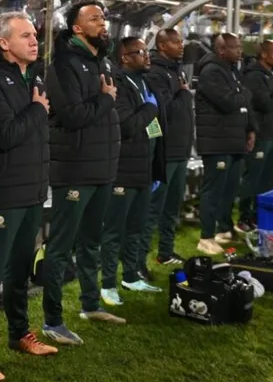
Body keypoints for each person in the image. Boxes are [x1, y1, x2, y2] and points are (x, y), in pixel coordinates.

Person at [0, 12, 56, 382]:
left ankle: (19, 334)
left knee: (19, 270)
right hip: (2, 192)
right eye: (25, 35)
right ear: (4, 42)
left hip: (31, 189)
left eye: (35, 34)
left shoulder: (32, 76)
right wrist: (37, 109)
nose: (35, 41)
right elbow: (5, 134)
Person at [42, 1, 123, 347]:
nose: (103, 23)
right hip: (74, 170)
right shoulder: (62, 64)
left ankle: (90, 305)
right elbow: (73, 115)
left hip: (102, 167)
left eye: (103, 17)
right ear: (76, 28)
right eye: (95, 18)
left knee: (92, 242)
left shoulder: (102, 61)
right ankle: (52, 321)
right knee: (61, 247)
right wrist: (106, 99)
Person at [99, 36, 164, 308]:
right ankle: (107, 285)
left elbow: (152, 128)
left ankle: (131, 276)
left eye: (147, 51)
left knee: (136, 228)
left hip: (144, 167)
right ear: (125, 57)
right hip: (123, 169)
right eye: (141, 52)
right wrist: (150, 108)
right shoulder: (118, 83)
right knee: (115, 231)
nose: (147, 56)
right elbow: (127, 126)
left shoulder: (143, 81)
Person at [194, 33, 253, 255]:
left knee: (229, 189)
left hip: (233, 139)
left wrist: (249, 129)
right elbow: (229, 102)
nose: (240, 51)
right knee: (213, 190)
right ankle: (206, 237)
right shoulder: (211, 71)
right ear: (221, 50)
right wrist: (244, 93)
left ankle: (224, 229)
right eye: (235, 47)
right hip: (217, 141)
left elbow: (239, 102)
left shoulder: (231, 70)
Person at [144, 28, 193, 269]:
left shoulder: (176, 70)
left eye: (181, 41)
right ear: (162, 46)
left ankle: (165, 252)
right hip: (165, 151)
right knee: (153, 209)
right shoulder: (154, 72)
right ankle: (138, 262)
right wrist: (183, 94)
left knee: (172, 207)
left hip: (180, 150)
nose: (181, 45)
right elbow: (165, 109)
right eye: (176, 42)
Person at [236, 40, 273, 233]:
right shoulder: (254, 76)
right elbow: (265, 104)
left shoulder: (271, 73)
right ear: (264, 54)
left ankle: (259, 215)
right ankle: (244, 217)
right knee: (253, 177)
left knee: (267, 179)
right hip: (261, 134)